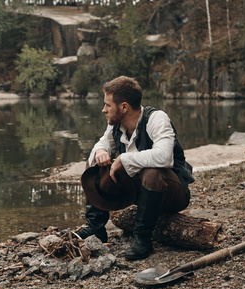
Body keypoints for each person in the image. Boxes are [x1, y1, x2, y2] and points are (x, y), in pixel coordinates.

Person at [77, 76, 195, 260]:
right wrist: (101, 151)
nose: (103, 110)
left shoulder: (157, 118)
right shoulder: (117, 125)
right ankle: (96, 228)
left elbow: (164, 157)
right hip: (139, 193)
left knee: (152, 172)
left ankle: (142, 239)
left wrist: (123, 159)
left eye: (108, 105)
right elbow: (100, 146)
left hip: (172, 192)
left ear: (124, 107)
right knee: (95, 163)